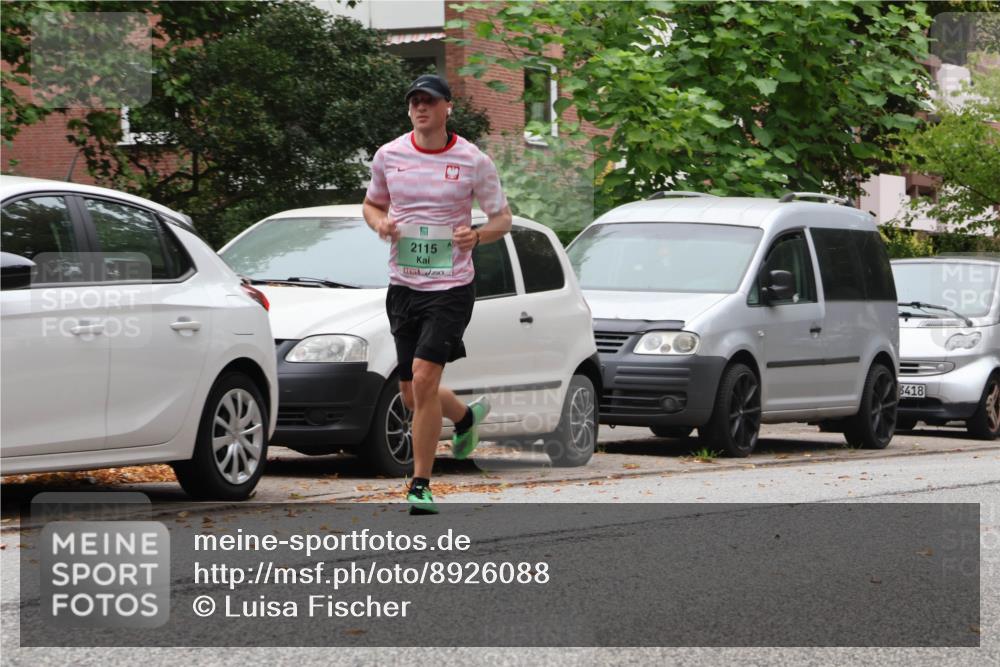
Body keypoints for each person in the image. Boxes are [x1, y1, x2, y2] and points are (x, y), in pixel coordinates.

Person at [363, 74, 513, 515]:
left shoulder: (473, 160)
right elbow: (372, 204)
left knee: (425, 379)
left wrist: (478, 236)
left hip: (450, 287)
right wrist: (380, 224)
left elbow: (502, 219)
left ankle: (420, 484)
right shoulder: (389, 155)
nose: (420, 108)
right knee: (412, 395)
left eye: (429, 100)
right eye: (414, 101)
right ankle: (465, 417)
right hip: (403, 285)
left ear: (448, 107)